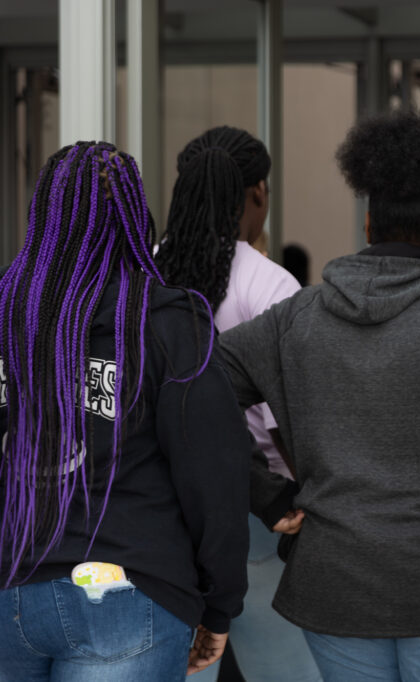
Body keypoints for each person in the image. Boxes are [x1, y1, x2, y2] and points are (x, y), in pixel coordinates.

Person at [216, 111, 420, 682]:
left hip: (334, 586)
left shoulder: (296, 317)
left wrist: (267, 496)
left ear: (368, 226)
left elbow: (194, 391)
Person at [0, 142, 251, 680]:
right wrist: (218, 603)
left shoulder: (6, 317)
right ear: (136, 221)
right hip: (129, 589)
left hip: (11, 581)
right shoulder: (166, 324)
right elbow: (215, 475)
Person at [154, 126, 320, 682]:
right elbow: (290, 424)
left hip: (159, 505)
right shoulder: (271, 285)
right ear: (258, 193)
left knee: (185, 667)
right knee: (286, 670)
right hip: (257, 515)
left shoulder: (144, 270)